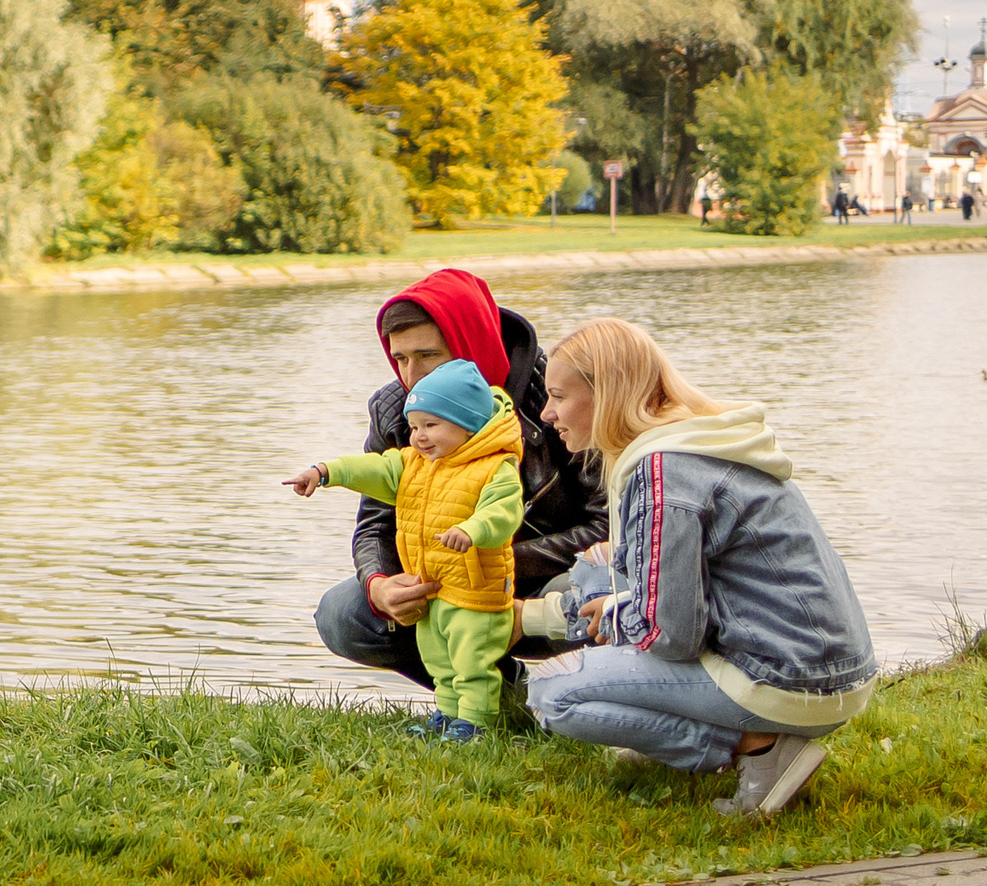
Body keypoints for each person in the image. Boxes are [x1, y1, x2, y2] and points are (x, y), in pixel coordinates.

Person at [521, 319, 876, 814]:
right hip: (828, 664)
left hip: (787, 679)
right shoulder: (694, 439)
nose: (546, 411)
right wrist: (529, 618)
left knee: (551, 691)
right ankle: (672, 726)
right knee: (592, 570)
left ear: (608, 394)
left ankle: (759, 749)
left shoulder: (663, 472)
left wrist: (621, 617)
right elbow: (645, 580)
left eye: (558, 395)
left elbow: (673, 634)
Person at [313, 270, 606, 692]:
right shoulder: (396, 411)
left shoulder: (558, 392)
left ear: (471, 341)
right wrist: (378, 584)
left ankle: (593, 699)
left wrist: (486, 563)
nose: (411, 376)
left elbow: (609, 526)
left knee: (597, 582)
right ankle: (502, 697)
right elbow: (376, 522)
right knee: (342, 614)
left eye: (428, 355)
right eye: (400, 358)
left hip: (540, 578)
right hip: (445, 584)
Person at [284, 361, 523, 742]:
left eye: (432, 425)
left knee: (472, 660)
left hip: (477, 591)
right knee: (439, 659)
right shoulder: (413, 464)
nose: (420, 437)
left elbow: (503, 513)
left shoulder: (494, 468)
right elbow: (373, 469)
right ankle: (446, 715)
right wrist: (326, 472)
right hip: (432, 586)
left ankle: (477, 724)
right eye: (414, 426)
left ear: (467, 424)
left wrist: (472, 530)